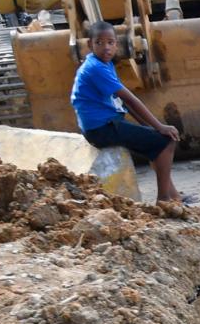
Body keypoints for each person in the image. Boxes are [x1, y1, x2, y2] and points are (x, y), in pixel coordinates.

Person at [71, 21, 183, 202]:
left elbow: (123, 102)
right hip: (102, 129)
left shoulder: (103, 64)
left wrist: (149, 126)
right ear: (90, 45)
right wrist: (160, 126)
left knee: (156, 142)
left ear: (117, 44)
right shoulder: (96, 68)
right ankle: (164, 199)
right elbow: (131, 99)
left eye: (110, 42)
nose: (106, 47)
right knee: (166, 141)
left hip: (106, 123)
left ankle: (174, 196)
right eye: (99, 43)